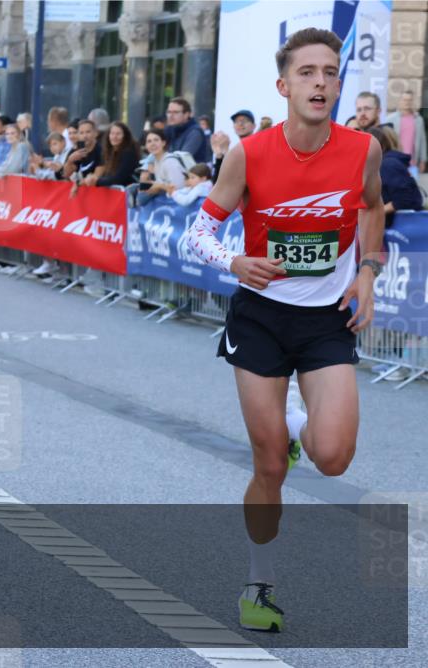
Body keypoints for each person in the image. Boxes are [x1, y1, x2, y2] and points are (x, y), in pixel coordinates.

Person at [184, 28, 384, 634]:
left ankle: (303, 425)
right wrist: (233, 261)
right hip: (262, 318)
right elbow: (199, 231)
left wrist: (368, 273)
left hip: (326, 320)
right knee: (270, 464)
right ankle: (259, 584)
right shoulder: (249, 153)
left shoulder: (362, 150)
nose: (320, 81)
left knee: (334, 457)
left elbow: (372, 207)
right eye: (307, 73)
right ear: (284, 85)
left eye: (330, 72)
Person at [366, 126, 424, 226]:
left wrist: (373, 214)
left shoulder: (388, 164)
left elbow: (404, 199)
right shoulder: (384, 163)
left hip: (398, 228)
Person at [136, 128, 185, 205]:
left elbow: (179, 188)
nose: (153, 144)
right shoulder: (155, 162)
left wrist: (159, 187)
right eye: (149, 141)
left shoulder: (170, 162)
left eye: (156, 140)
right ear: (146, 146)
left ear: (163, 143)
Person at [383, 90, 427, 174]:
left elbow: (422, 140)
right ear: (400, 101)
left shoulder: (418, 119)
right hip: (395, 161)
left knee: (412, 186)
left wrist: (423, 160)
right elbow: (386, 140)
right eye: (405, 100)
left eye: (410, 100)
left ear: (413, 101)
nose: (407, 102)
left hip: (412, 163)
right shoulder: (390, 119)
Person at [86, 121, 139, 188]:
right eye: (112, 133)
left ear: (125, 136)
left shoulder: (129, 153)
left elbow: (118, 178)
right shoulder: (109, 152)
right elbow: (108, 176)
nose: (114, 137)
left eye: (118, 134)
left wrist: (97, 181)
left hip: (126, 193)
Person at [165, 97, 211, 164]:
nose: (171, 116)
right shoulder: (170, 129)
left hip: (190, 173)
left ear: (186, 114)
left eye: (175, 112)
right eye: (169, 112)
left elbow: (182, 159)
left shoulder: (195, 132)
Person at [212, 110, 256, 177]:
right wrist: (219, 156)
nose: (240, 124)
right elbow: (220, 182)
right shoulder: (236, 148)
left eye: (244, 121)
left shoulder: (257, 147)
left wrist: (226, 152)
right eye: (236, 121)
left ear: (254, 126)